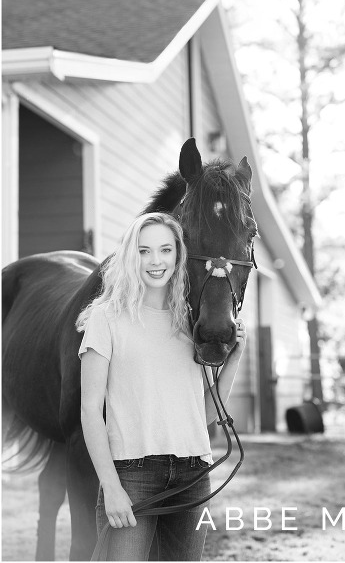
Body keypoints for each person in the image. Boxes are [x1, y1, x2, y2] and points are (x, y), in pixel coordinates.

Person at [78, 212, 245, 561]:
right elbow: (90, 410)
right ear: (130, 256)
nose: (156, 261)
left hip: (193, 475)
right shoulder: (105, 318)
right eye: (144, 251)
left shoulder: (190, 322)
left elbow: (205, 415)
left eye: (165, 250)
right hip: (132, 475)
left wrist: (234, 358)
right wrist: (110, 486)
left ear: (178, 256)